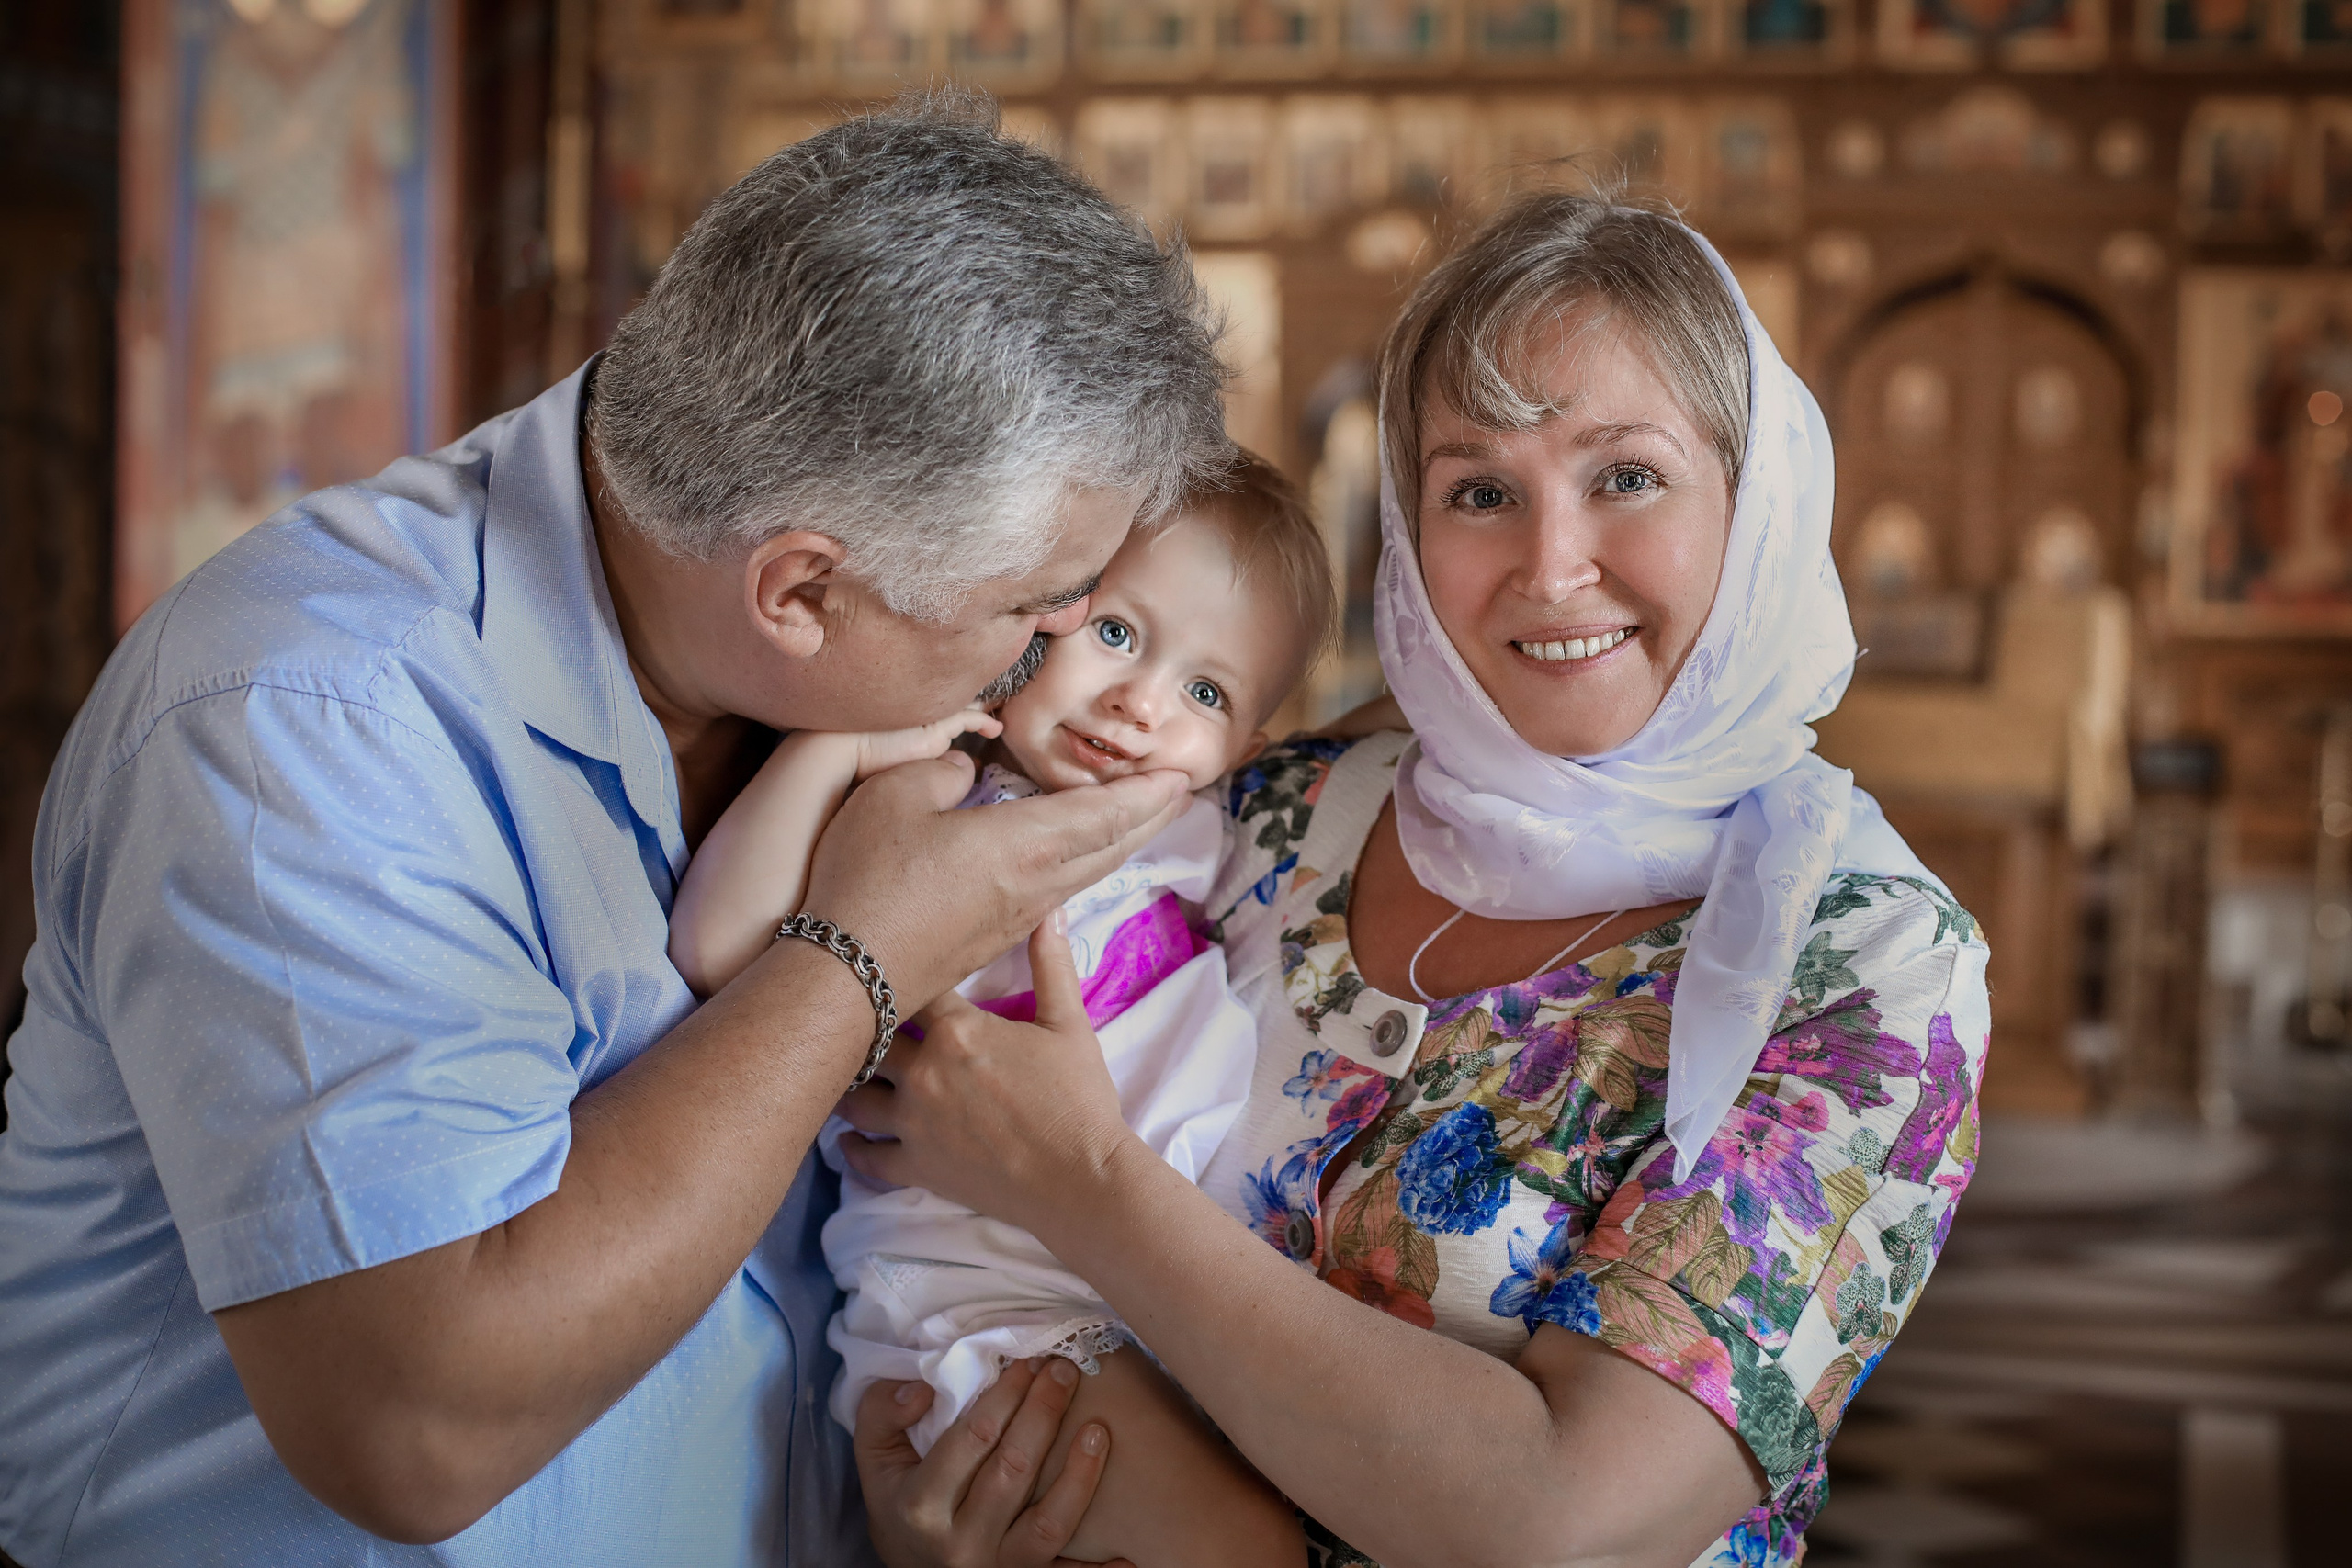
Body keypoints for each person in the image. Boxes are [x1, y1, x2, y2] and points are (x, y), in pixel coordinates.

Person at [0, 95, 1227, 1568]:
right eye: (1033, 611)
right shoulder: (303, 724)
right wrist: (859, 958)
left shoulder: (828, 680)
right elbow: (420, 1428)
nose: (1048, 652)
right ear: (798, 592)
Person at [840, 193, 1993, 1568]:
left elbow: (1567, 1521)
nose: (1553, 565)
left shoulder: (1865, 964)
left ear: (1753, 499)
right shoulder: (1265, 807)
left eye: (1626, 474)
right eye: (1479, 490)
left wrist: (1084, 1179)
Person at [672, 457, 1335, 1565]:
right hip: (989, 1308)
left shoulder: (1193, 830)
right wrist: (851, 743)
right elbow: (715, 945)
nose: (1140, 703)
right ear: (1040, 612)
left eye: (1205, 694)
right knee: (1239, 1549)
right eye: (1118, 634)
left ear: (1244, 755)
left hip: (1151, 1305)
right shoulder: (942, 794)